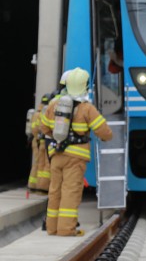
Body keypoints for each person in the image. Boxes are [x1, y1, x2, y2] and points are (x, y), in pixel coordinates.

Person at [40, 67, 113, 236]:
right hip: (76, 158)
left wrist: (56, 136)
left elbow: (44, 128)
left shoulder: (53, 105)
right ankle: (66, 230)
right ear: (84, 85)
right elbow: (104, 131)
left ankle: (52, 228)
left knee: (55, 191)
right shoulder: (87, 108)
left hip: (56, 154)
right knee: (70, 192)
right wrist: (107, 137)